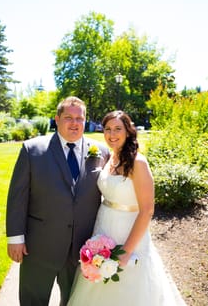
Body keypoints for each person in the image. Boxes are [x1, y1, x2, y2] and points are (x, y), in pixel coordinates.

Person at [67, 110, 187, 306]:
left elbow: (147, 210)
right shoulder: (110, 158)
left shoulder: (138, 163)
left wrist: (126, 251)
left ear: (128, 131)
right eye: (107, 129)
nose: (112, 135)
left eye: (117, 129)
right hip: (103, 228)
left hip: (128, 232)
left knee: (128, 286)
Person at [6, 96, 110, 306]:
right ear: (57, 119)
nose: (74, 123)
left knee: (74, 302)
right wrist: (15, 238)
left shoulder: (102, 152)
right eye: (68, 117)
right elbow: (18, 196)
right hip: (39, 247)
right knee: (33, 300)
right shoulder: (32, 150)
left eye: (80, 118)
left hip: (83, 250)